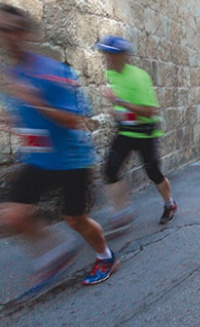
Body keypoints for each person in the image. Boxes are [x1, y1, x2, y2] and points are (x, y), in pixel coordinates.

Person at [0, 4, 118, 289]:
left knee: (76, 219)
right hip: (39, 159)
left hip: (72, 159)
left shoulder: (54, 71)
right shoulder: (9, 74)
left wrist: (36, 100)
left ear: (27, 34)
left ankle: (106, 257)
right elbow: (24, 119)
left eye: (15, 30)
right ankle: (57, 253)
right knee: (12, 215)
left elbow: (77, 120)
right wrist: (11, 120)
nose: (9, 37)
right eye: (3, 30)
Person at [96, 35, 178, 230]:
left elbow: (149, 111)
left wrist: (120, 101)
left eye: (113, 55)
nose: (108, 58)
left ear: (124, 56)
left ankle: (170, 204)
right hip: (125, 132)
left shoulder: (139, 77)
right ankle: (122, 212)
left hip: (145, 134)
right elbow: (125, 108)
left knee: (153, 173)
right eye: (106, 54)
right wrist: (116, 113)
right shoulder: (112, 75)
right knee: (110, 170)